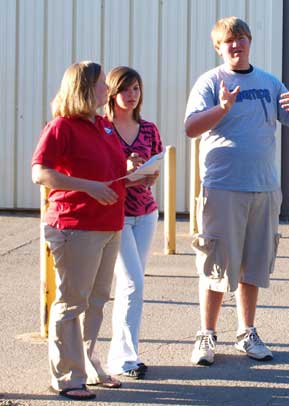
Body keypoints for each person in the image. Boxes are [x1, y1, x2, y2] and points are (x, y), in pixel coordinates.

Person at [184, 16, 289, 366]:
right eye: (229, 40)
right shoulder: (210, 82)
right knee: (215, 263)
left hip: (264, 187)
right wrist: (223, 108)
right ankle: (207, 335)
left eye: (241, 38)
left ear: (250, 42)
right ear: (218, 47)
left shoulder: (270, 82)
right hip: (223, 187)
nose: (236, 44)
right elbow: (191, 127)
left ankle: (247, 332)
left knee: (253, 265)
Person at [31, 61, 127, 401]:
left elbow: (109, 170)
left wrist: (137, 173)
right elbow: (40, 173)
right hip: (75, 226)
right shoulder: (62, 127)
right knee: (72, 302)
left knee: (97, 301)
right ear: (84, 88)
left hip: (109, 224)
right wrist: (87, 187)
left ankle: (88, 364)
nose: (108, 90)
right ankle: (68, 376)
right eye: (102, 84)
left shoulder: (104, 125)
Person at [105, 66, 163, 379]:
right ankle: (125, 360)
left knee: (132, 286)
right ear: (112, 93)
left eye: (137, 89)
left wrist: (148, 172)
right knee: (132, 283)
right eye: (126, 89)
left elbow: (155, 169)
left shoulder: (149, 129)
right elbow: (99, 171)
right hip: (115, 215)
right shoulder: (103, 128)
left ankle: (122, 354)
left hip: (146, 212)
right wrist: (124, 166)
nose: (132, 95)